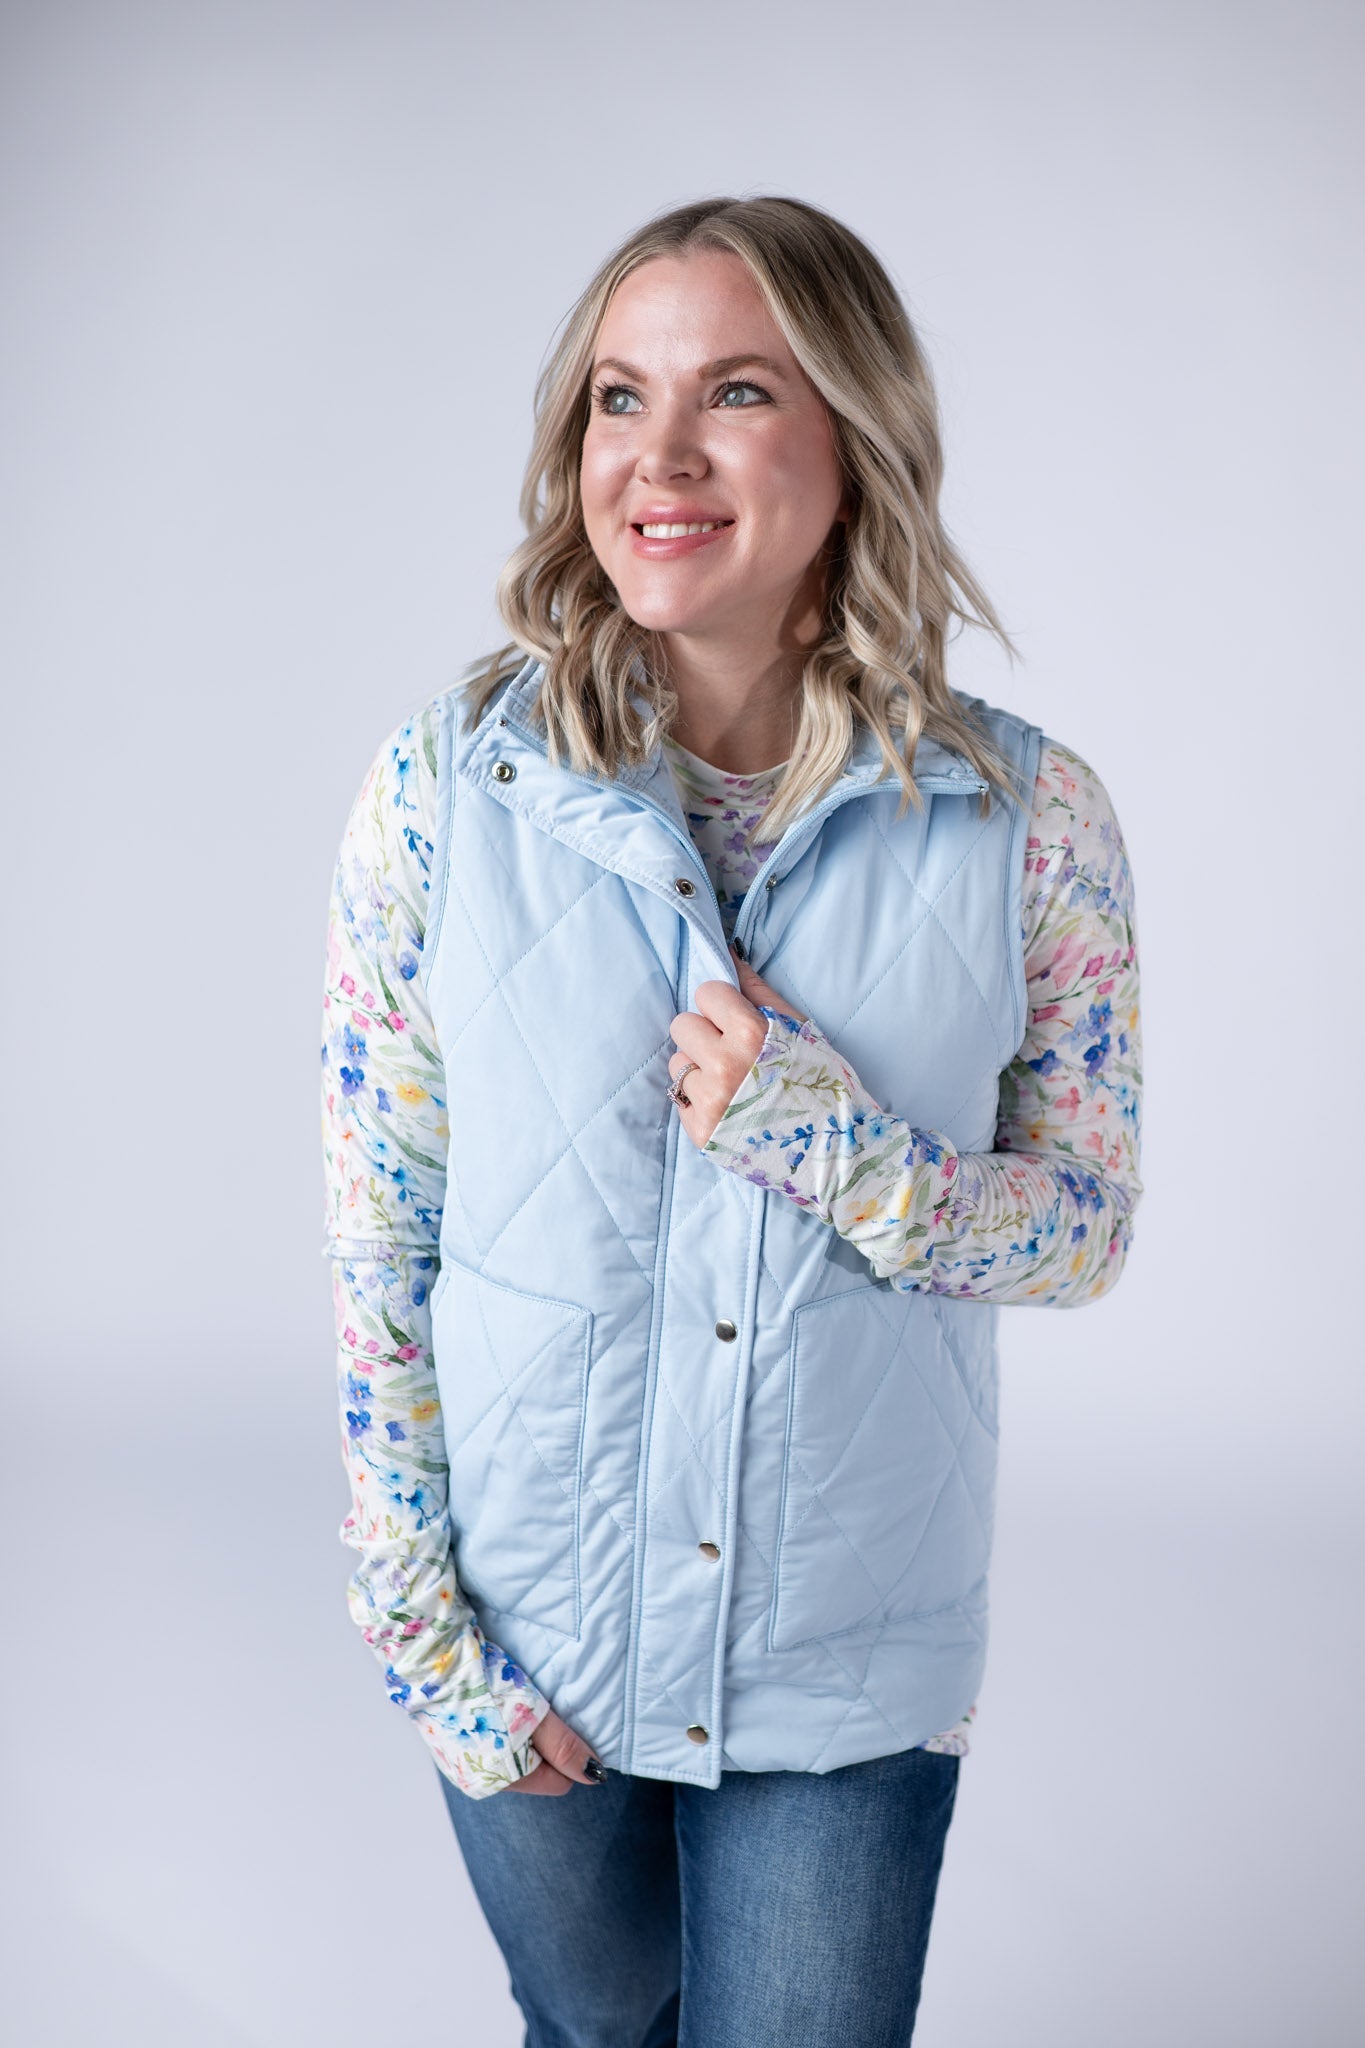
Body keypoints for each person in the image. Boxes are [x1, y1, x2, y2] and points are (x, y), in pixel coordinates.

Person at [321, 195, 1142, 2046]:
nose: (661, 455)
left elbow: (1084, 1231)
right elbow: (382, 1227)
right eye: (620, 398)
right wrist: (416, 1629)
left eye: (738, 392)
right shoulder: (448, 788)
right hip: (527, 1625)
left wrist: (832, 1145)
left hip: (840, 1655)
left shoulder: (1031, 820)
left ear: (855, 442)